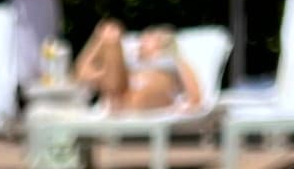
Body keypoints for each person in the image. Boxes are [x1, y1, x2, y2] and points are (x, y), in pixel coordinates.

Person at [74, 20, 203, 116]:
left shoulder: (172, 61)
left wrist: (184, 108)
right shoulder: (130, 63)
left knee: (112, 57)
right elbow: (82, 76)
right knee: (93, 70)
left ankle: (108, 41)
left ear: (162, 44)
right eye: (143, 36)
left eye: (150, 37)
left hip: (142, 100)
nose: (142, 39)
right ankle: (102, 41)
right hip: (120, 97)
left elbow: (195, 96)